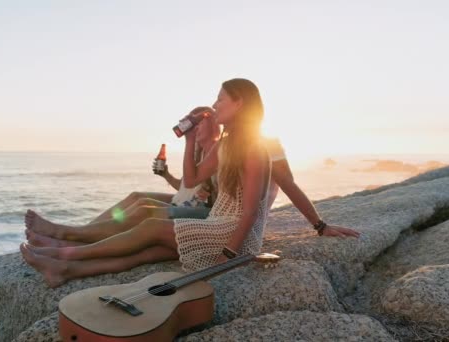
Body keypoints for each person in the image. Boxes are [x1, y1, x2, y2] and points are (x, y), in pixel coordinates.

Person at [21, 78, 275, 287]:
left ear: (239, 103)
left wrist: (228, 256)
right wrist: (188, 142)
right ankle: (64, 271)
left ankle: (62, 252)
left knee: (152, 226)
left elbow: (251, 211)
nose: (214, 104)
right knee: (149, 252)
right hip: (217, 225)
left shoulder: (252, 148)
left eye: (220, 98)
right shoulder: (225, 145)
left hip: (236, 239)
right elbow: (192, 179)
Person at [24, 108, 221, 248]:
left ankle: (72, 235)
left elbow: (200, 189)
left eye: (197, 123)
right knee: (137, 196)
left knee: (143, 209)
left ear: (210, 125)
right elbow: (186, 186)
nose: (192, 128)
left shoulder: (215, 151)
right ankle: (84, 232)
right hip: (185, 201)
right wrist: (166, 175)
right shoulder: (198, 151)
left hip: (194, 209)